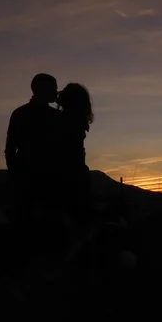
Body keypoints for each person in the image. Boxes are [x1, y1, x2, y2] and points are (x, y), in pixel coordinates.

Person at [5, 73, 60, 224]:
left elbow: (9, 149)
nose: (57, 92)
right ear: (43, 89)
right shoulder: (54, 116)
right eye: (54, 88)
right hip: (40, 182)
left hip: (34, 180)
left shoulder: (20, 113)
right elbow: (10, 148)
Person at [55, 82, 94, 229]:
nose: (59, 93)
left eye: (64, 92)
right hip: (76, 173)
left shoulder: (62, 119)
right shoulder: (78, 119)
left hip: (66, 175)